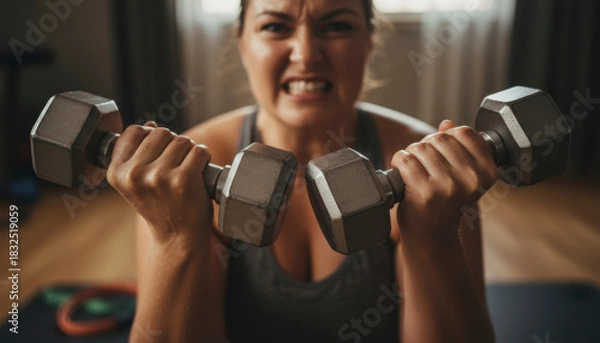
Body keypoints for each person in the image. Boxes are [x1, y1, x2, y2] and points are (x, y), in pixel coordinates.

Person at [107, 0, 497, 342]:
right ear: (242, 42)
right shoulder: (185, 170)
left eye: (337, 26)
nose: (307, 54)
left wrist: (433, 238)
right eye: (275, 26)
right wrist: (176, 235)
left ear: (370, 40)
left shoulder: (428, 170)